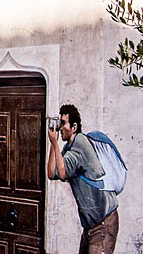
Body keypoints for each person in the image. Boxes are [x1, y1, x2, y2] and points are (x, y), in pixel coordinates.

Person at [47, 103, 118, 254]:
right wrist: (53, 145)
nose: (60, 128)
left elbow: (64, 172)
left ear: (74, 127)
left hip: (103, 223)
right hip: (91, 226)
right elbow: (52, 174)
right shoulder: (69, 148)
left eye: (63, 123)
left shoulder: (80, 144)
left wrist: (54, 142)